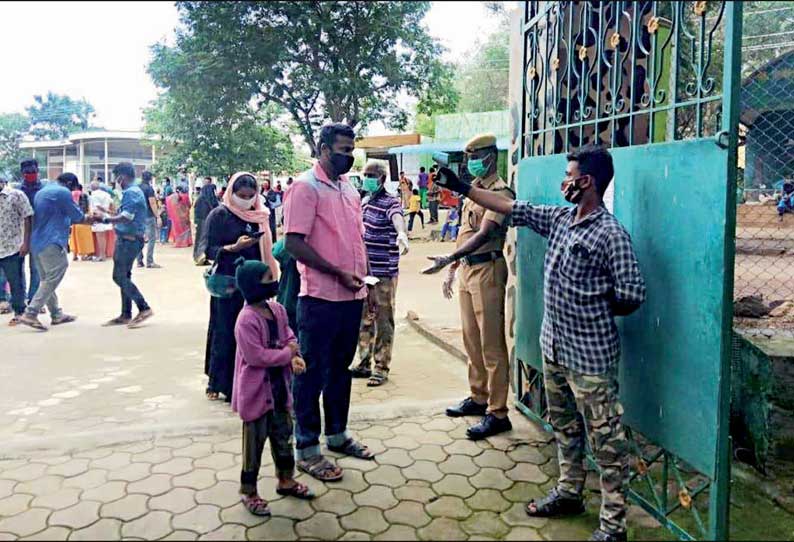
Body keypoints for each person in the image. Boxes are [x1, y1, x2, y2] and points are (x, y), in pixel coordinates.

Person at [432, 143, 646, 542]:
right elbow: (513, 208)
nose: (563, 181)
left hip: (590, 358)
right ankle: (569, 493)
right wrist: (463, 187)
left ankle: (612, 526)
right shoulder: (562, 219)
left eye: (569, 176)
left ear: (587, 181)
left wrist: (590, 308)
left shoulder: (611, 234)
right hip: (555, 350)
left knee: (607, 445)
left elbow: (632, 294)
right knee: (565, 428)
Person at [284, 123, 374, 482]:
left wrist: (367, 291)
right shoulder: (305, 188)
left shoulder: (348, 189)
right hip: (320, 299)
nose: (349, 156)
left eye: (352, 150)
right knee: (312, 374)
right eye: (342, 149)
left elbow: (356, 242)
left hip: (353, 296)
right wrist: (337, 273)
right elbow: (294, 243)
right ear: (323, 149)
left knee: (341, 369)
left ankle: (337, 435)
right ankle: (306, 447)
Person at [423, 134, 516, 441]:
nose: (471, 162)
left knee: (491, 345)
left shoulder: (500, 192)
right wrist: (452, 268)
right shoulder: (473, 193)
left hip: (488, 269)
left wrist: (450, 257)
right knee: (471, 340)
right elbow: (465, 234)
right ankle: (478, 397)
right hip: (467, 270)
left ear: (491, 156)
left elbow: (486, 232)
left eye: (476, 156)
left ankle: (498, 413)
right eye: (468, 157)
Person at [232, 259, 315, 516]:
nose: (275, 284)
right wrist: (286, 355)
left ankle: (286, 480)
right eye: (269, 279)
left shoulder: (277, 310)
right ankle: (249, 491)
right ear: (253, 286)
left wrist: (294, 354)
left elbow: (289, 335)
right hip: (256, 396)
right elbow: (256, 357)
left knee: (283, 439)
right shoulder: (246, 320)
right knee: (253, 448)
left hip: (280, 392)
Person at [204, 172, 277, 403]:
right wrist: (232, 248)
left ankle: (248, 382)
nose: (245, 200)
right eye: (241, 195)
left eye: (250, 195)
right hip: (228, 283)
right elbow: (207, 250)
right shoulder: (219, 215)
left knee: (252, 334)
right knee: (224, 331)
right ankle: (219, 381)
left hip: (253, 285)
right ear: (231, 193)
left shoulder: (261, 215)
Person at [350, 161, 410, 387]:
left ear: (382, 179)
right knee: (364, 318)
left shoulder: (390, 202)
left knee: (383, 320)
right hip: (364, 272)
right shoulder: (364, 202)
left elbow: (397, 217)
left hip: (383, 272)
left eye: (371, 175)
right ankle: (364, 362)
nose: (367, 178)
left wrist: (401, 233)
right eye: (365, 174)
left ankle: (381, 367)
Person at [18, 173, 95, 331]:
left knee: (46, 278)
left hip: (37, 241)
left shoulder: (43, 191)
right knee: (54, 274)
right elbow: (77, 216)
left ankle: (56, 314)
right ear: (68, 183)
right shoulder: (62, 192)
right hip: (51, 240)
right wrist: (96, 218)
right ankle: (31, 313)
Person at [100, 163, 155, 329]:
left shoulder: (131, 192)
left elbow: (127, 217)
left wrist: (105, 219)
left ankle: (143, 307)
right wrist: (108, 213)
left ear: (121, 177)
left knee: (118, 276)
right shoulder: (132, 192)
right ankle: (125, 313)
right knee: (124, 276)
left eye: (115, 176)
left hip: (129, 241)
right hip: (128, 239)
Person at [0, 175, 34, 325]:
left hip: (12, 247)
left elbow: (28, 217)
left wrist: (26, 242)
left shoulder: (16, 195)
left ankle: (20, 311)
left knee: (16, 281)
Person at [19, 159, 43, 308]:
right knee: (17, 269)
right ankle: (18, 300)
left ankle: (34, 299)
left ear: (38, 172)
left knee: (36, 269)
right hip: (19, 233)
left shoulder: (43, 190)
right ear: (22, 174)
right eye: (28, 173)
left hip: (38, 233)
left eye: (33, 172)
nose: (31, 175)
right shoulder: (16, 191)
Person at [136, 171, 162, 269]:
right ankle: (149, 261)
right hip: (148, 216)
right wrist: (158, 216)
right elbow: (152, 203)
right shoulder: (149, 189)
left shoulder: (137, 188)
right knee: (152, 238)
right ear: (150, 178)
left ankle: (139, 261)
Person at [193, 178, 219, 265]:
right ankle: (200, 257)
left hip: (202, 220)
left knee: (201, 239)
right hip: (204, 220)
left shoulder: (201, 198)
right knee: (203, 239)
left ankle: (201, 257)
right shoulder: (206, 199)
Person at [69, 183, 95, 261]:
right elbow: (88, 207)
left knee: (74, 238)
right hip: (84, 219)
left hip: (74, 220)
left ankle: (74, 255)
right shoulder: (85, 196)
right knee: (84, 238)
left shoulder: (70, 195)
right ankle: (83, 255)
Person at [89, 180, 114, 262]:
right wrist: (111, 212)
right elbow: (112, 203)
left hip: (98, 216)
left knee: (100, 237)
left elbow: (98, 206)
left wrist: (106, 211)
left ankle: (102, 255)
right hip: (106, 217)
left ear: (92, 187)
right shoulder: (106, 194)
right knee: (103, 237)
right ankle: (103, 254)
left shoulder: (94, 194)